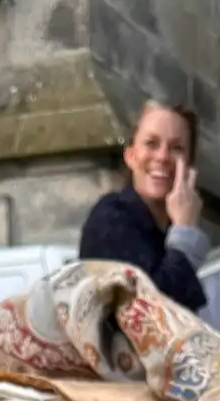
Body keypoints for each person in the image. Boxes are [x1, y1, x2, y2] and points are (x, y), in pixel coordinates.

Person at [80, 101, 209, 313]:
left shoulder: (168, 233)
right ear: (130, 156)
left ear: (189, 166)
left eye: (176, 148)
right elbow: (152, 314)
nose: (162, 156)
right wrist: (185, 234)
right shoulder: (111, 218)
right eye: (151, 143)